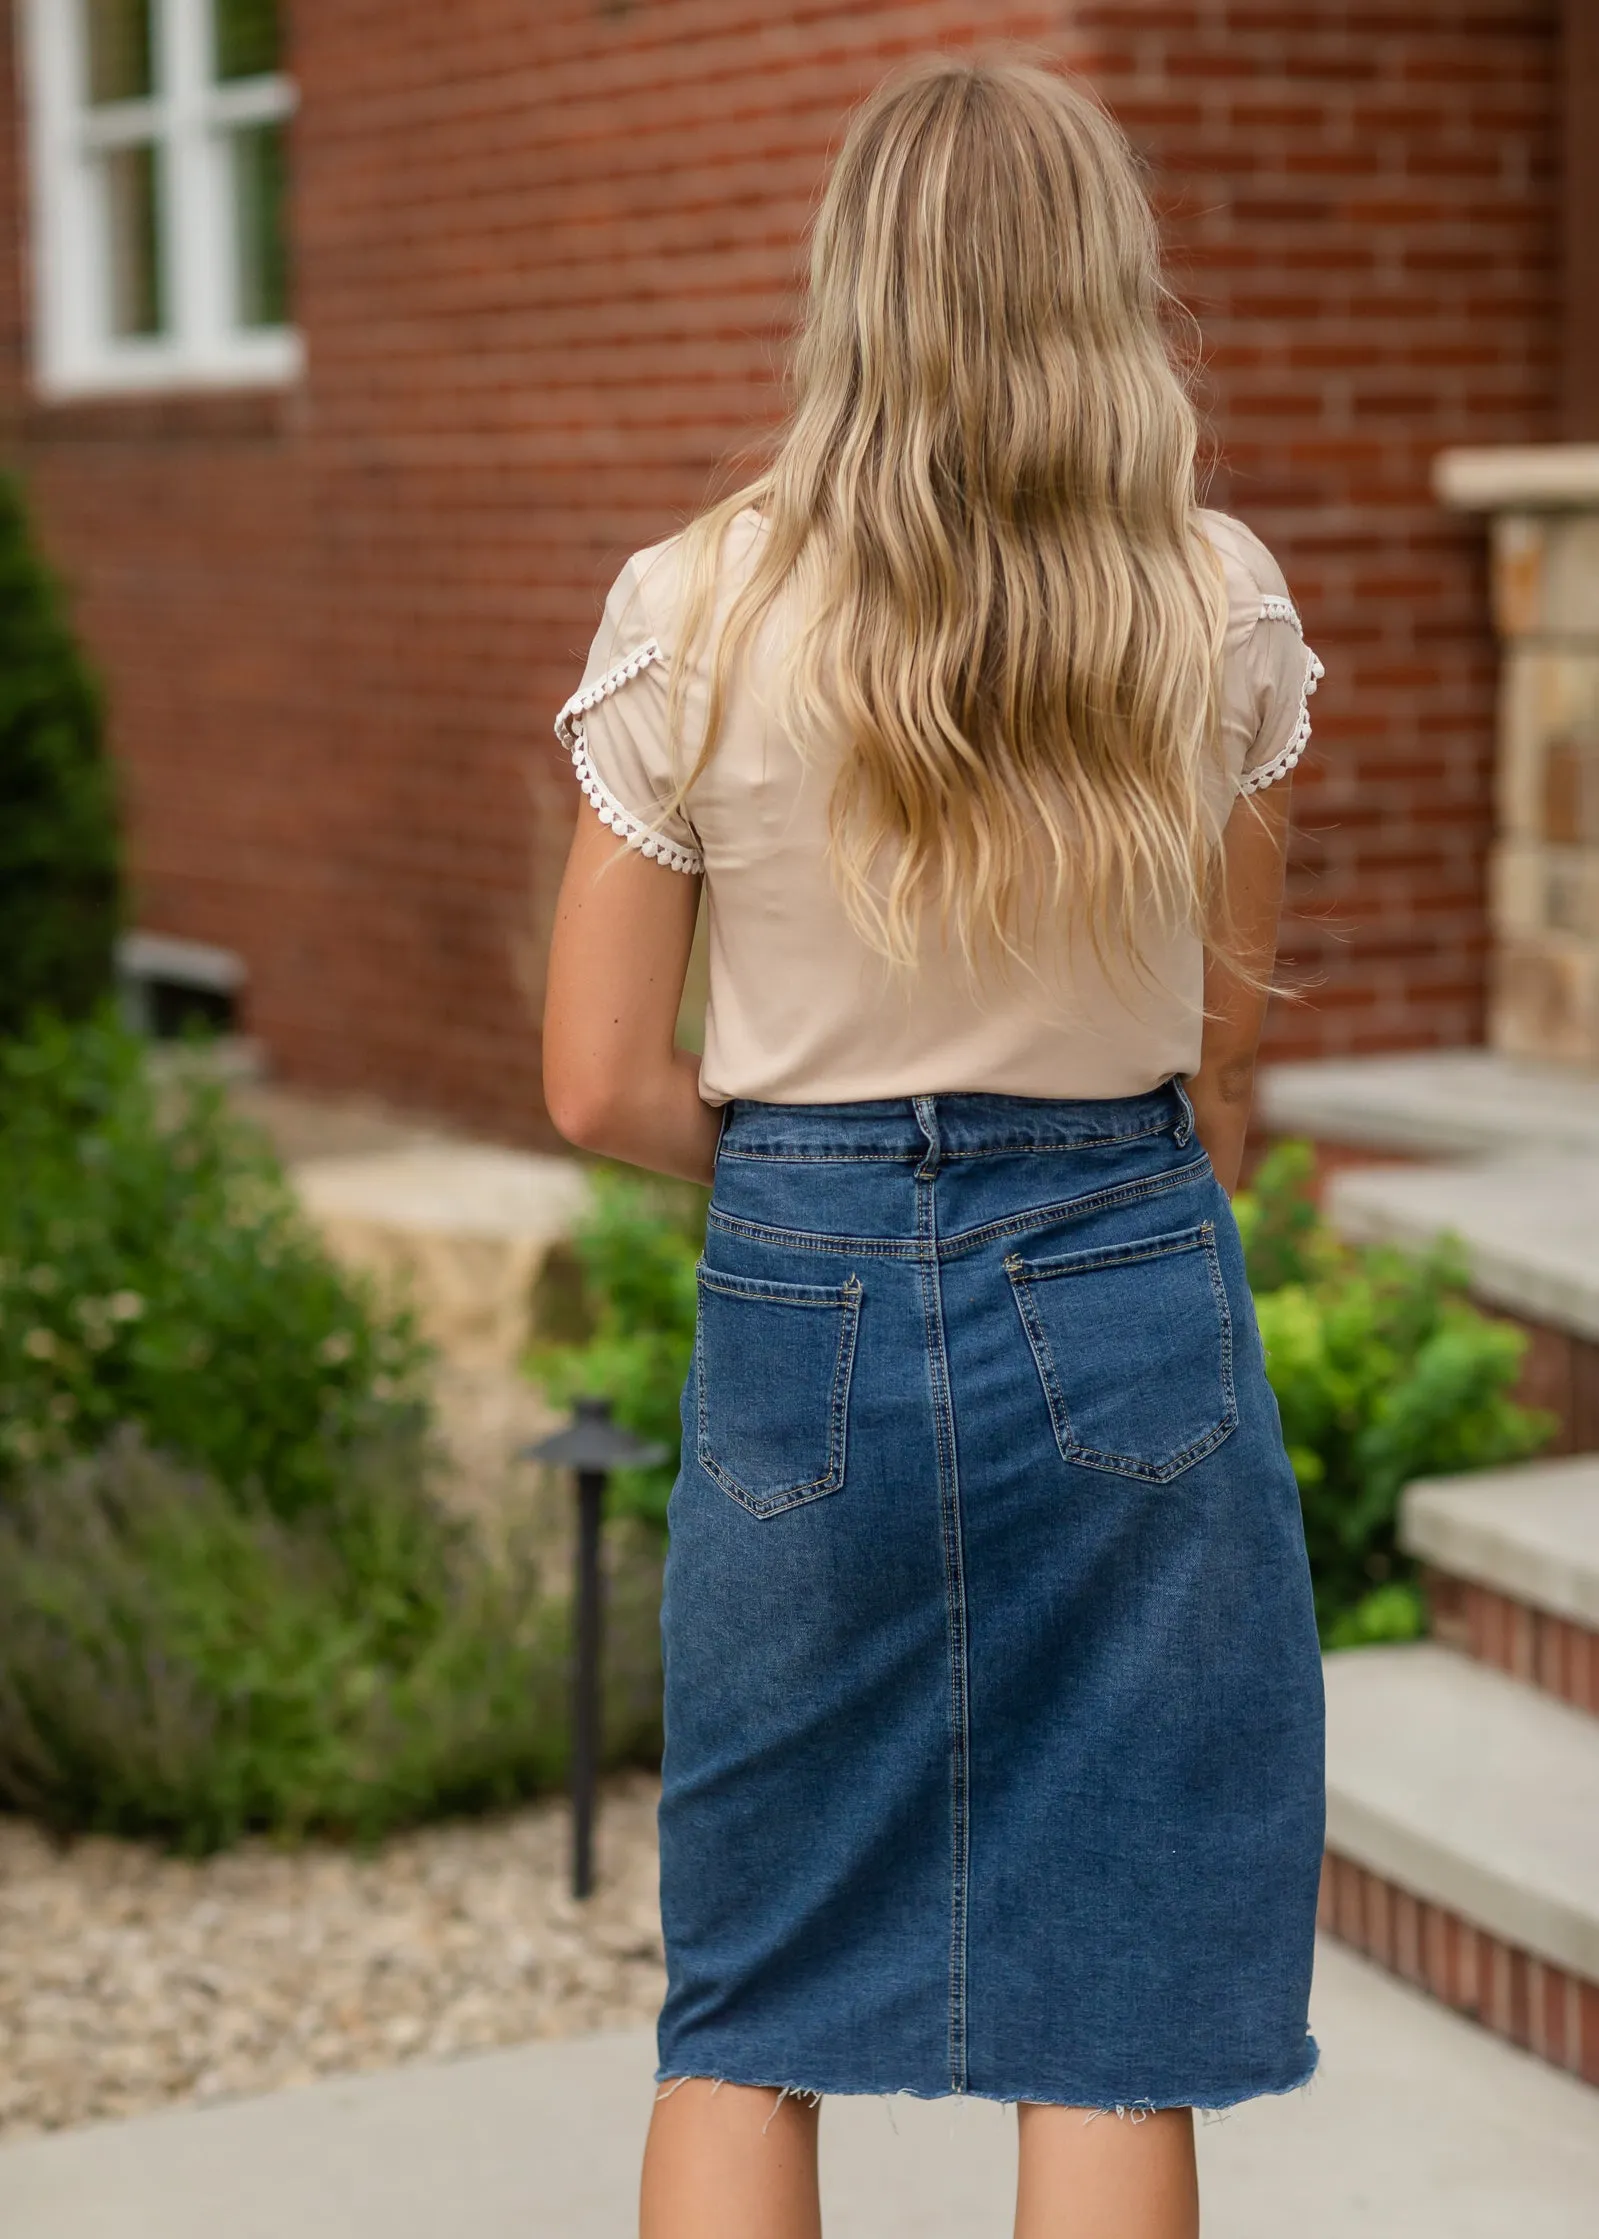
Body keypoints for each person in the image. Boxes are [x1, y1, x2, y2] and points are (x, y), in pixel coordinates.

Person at [542, 53, 1326, 2239]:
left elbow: (599, 1081)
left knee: (755, 2004)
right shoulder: (1218, 599)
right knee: (1103, 2009)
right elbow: (1225, 1049)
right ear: (1107, 287)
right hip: (1125, 1264)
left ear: (847, 290)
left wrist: (818, 1191)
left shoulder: (691, 605)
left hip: (801, 1293)